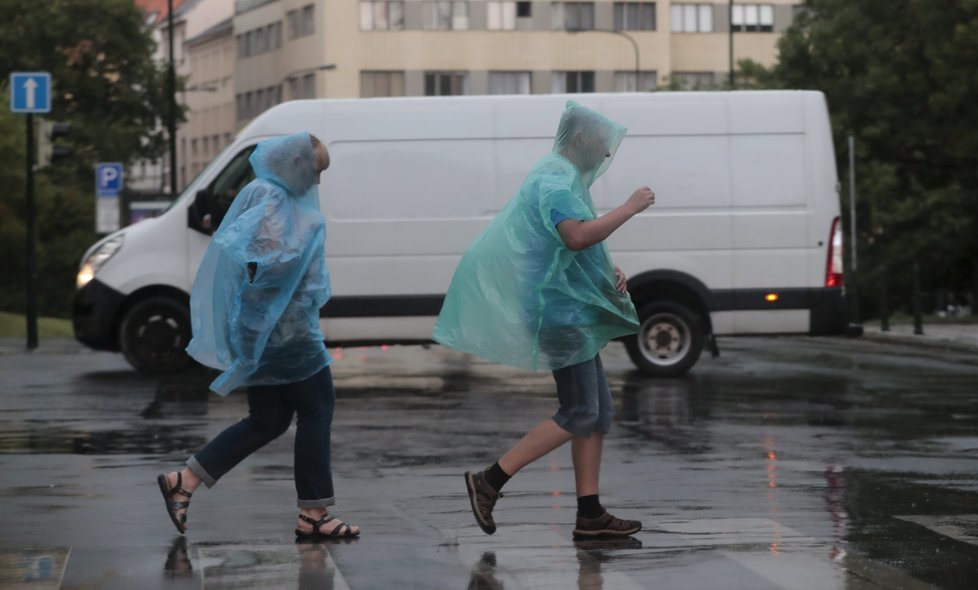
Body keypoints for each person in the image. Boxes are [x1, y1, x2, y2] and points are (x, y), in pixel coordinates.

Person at [433, 100, 655, 538]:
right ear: (582, 139)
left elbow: (558, 244)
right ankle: (489, 481)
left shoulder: (561, 176)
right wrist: (629, 207)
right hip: (560, 313)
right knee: (579, 411)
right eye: (603, 145)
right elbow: (573, 237)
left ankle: (590, 513)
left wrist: (604, 269)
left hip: (569, 306)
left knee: (596, 412)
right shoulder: (554, 179)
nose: (607, 155)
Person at [156, 132, 359, 540]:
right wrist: (309, 235)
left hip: (264, 327)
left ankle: (185, 480)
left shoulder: (266, 193)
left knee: (267, 420)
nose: (318, 182)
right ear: (297, 163)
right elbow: (271, 262)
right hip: (284, 330)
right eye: (316, 171)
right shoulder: (272, 198)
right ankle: (314, 513)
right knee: (318, 408)